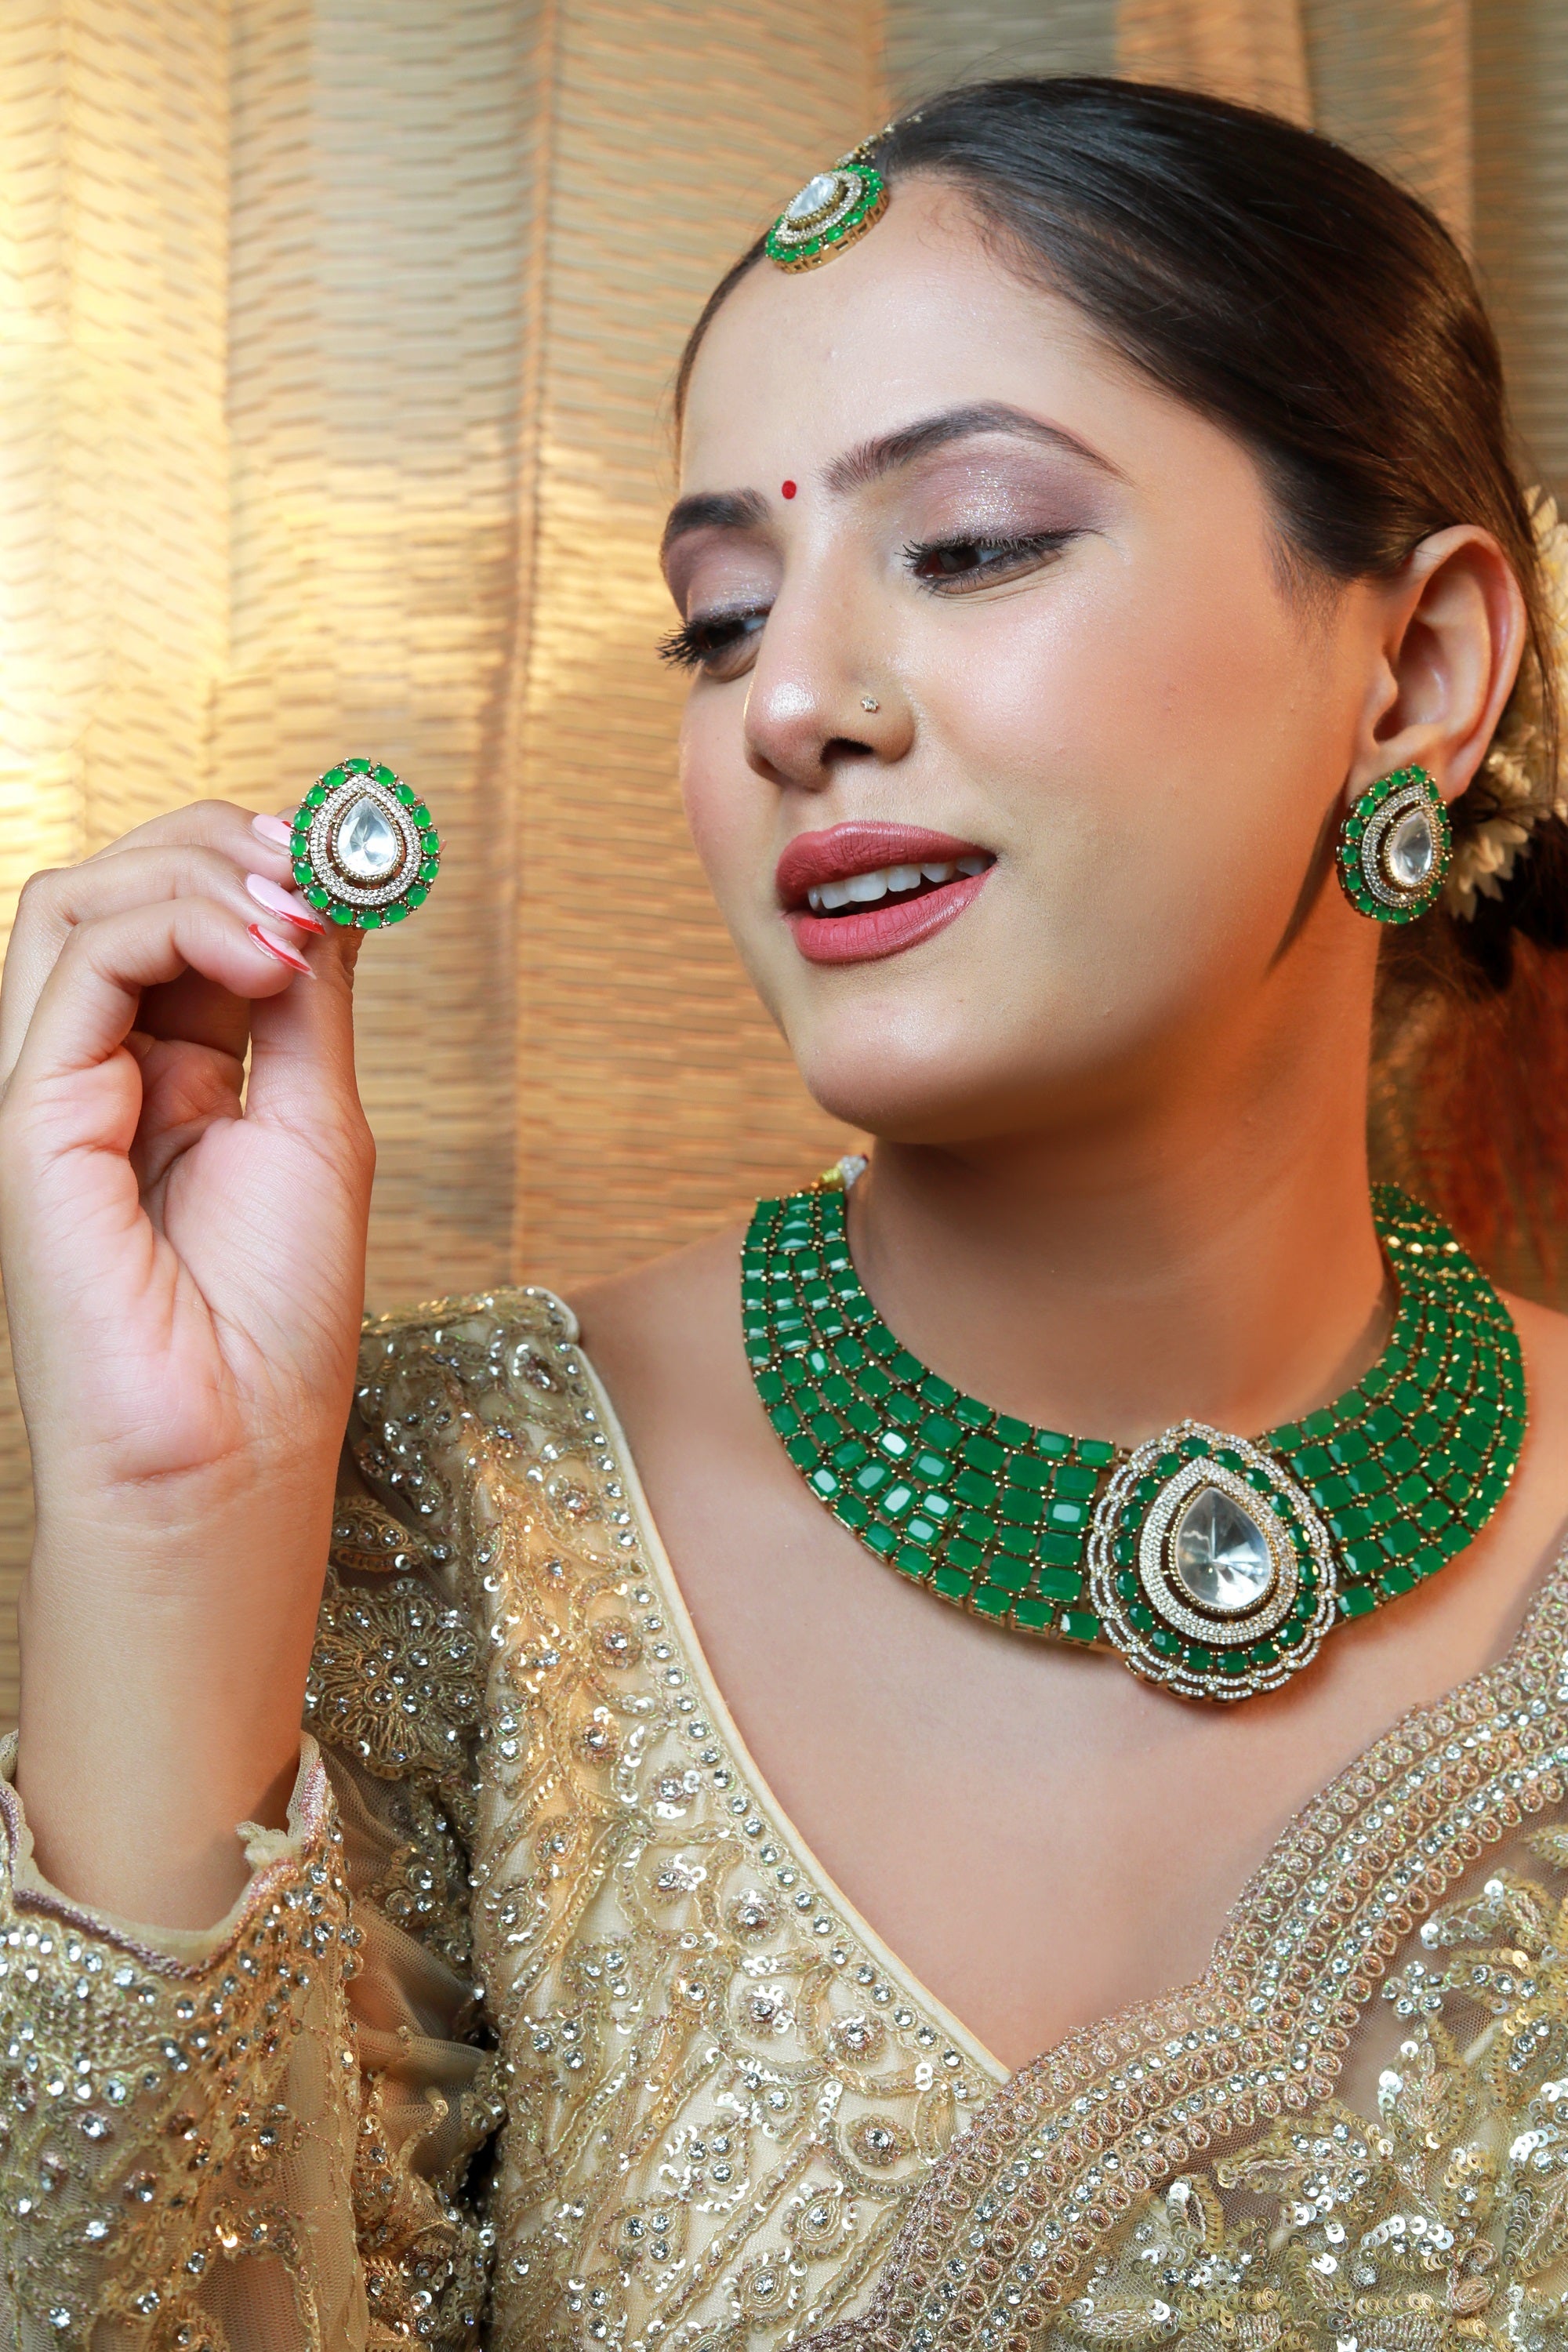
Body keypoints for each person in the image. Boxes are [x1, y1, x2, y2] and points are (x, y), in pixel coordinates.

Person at [3, 70, 1568, 2350]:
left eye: (974, 544)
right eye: (722, 617)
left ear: (1418, 669)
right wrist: (173, 1520)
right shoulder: (447, 1520)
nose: (795, 704)